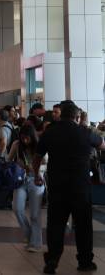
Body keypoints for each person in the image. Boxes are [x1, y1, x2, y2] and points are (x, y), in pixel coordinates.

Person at [34, 100, 105, 274]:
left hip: (58, 187)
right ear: (77, 116)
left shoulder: (50, 132)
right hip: (80, 188)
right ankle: (85, 261)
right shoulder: (85, 132)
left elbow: (37, 156)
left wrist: (37, 174)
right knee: (83, 225)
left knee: (56, 225)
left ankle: (52, 261)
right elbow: (102, 145)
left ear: (61, 114)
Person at [8, 124, 46, 253]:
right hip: (20, 180)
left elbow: (47, 164)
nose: (25, 141)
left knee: (35, 214)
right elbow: (8, 160)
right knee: (17, 208)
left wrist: (36, 169)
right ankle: (31, 236)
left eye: (27, 138)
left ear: (32, 137)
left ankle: (35, 243)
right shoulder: (17, 145)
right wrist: (15, 164)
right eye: (23, 138)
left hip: (36, 179)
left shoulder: (40, 145)